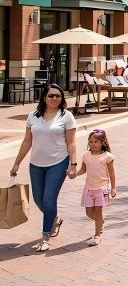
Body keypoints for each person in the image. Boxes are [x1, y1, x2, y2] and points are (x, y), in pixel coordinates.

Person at [9, 84, 77, 252]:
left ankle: (45, 237)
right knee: (39, 200)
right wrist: (17, 163)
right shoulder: (33, 116)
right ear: (44, 97)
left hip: (58, 162)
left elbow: (71, 142)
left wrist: (73, 164)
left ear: (62, 98)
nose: (54, 98)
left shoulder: (66, 116)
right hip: (36, 164)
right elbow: (27, 141)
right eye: (51, 95)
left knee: (48, 199)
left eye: (58, 96)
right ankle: (54, 217)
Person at [76, 129, 116, 247]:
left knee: (98, 212)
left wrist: (113, 188)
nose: (93, 144)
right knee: (89, 213)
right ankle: (100, 222)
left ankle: (97, 235)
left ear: (103, 142)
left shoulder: (107, 156)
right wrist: (75, 174)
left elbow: (112, 174)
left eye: (96, 142)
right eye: (91, 142)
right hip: (89, 188)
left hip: (101, 188)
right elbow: (83, 170)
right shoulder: (86, 155)